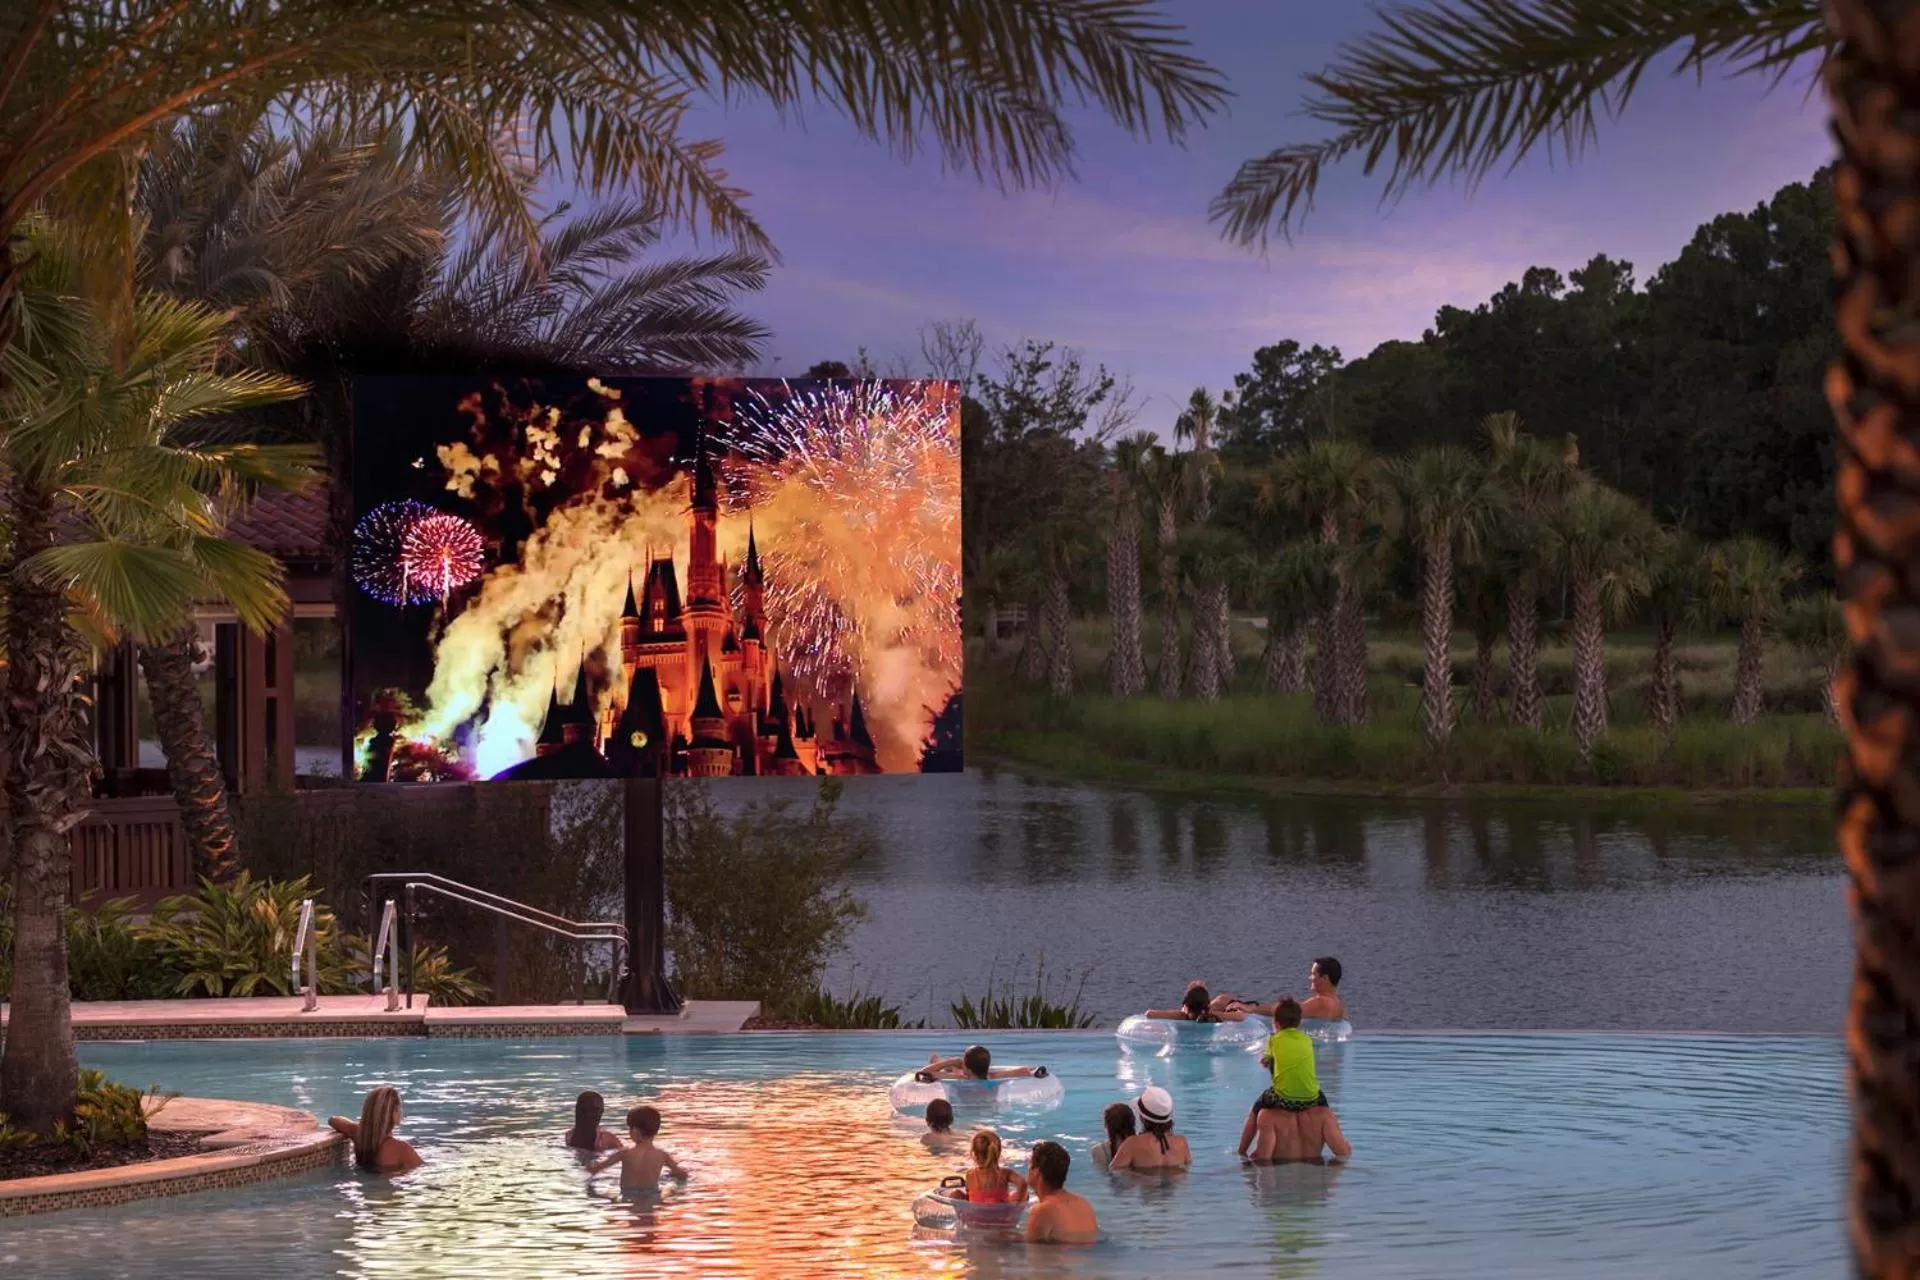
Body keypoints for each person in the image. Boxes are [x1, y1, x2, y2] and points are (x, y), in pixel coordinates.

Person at [1236, 996, 1327, 1158]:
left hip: (1284, 1097)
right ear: (1299, 1023)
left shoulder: (1274, 1040)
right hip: (1312, 1096)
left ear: (1276, 1024)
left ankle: (1241, 1151)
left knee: (1255, 1110)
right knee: (1321, 1098)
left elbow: (1265, 1061)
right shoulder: (1307, 1040)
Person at [588, 1105, 687, 1192]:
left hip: (626, 1196)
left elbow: (595, 1169)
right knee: (671, 1188)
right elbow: (681, 1174)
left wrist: (592, 1165)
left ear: (635, 1131)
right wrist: (672, 1175)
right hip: (652, 1197)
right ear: (656, 1131)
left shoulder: (624, 1153)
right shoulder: (662, 1155)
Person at [328, 1086, 423, 1175]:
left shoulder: (358, 1135)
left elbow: (333, 1120)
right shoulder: (402, 1149)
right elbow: (423, 1174)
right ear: (393, 1113)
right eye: (400, 1108)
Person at [1224, 958, 1346, 1022]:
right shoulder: (1339, 1005)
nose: (1310, 978)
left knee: (1223, 1001)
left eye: (1313, 974)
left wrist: (1250, 1008)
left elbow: (1286, 1010)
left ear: (1324, 978)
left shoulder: (1321, 1003)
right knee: (1225, 1000)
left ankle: (1207, 1015)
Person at [1023, 1141, 1098, 1245]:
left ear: (1037, 1172)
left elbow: (1032, 1252)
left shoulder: (1043, 1210)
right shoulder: (1083, 1203)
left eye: (1030, 1166)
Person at [1108, 1085, 1191, 1172]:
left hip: (1146, 1183)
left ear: (1143, 1118)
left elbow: (1113, 1171)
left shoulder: (1132, 1143)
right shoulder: (1182, 1142)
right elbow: (1187, 1169)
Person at [1253, 1101, 1353, 1164]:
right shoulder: (1324, 1115)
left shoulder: (1268, 1116)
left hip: (1282, 1187)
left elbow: (1263, 1161)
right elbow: (1343, 1155)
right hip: (1314, 1188)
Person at [961, 1129, 1027, 1204]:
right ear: (998, 1152)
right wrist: (1016, 1205)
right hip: (1001, 1213)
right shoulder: (1005, 1173)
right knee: (1025, 1195)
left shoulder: (969, 1174)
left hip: (976, 1214)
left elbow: (969, 1195)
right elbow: (1023, 1183)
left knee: (957, 1194)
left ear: (974, 1153)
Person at [919, 1045, 1047, 1081]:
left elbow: (924, 1072)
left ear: (967, 1069)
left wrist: (952, 1061)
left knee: (937, 1062)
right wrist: (1034, 1072)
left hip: (962, 1111)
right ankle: (945, 1063)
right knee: (953, 1069)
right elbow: (1024, 1071)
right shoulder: (992, 1077)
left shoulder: (960, 1078)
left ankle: (941, 1061)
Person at [1143, 981, 1246, 1023]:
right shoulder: (1213, 1015)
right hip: (1209, 1009)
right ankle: (1200, 991)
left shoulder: (1181, 1016)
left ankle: (1197, 991)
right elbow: (1241, 1016)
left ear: (1186, 1004)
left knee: (1221, 999)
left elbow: (1149, 1014)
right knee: (1222, 999)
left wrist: (1182, 1011)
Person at [1090, 1101, 1136, 1166]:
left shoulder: (1098, 1150)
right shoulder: (1145, 1146)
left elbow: (1101, 1174)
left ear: (1106, 1125)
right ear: (1133, 1122)